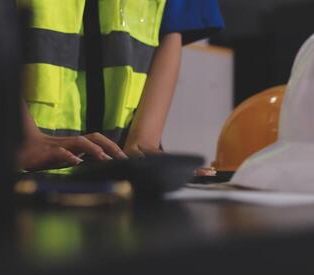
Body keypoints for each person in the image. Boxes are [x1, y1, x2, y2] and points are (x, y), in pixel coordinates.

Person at [17, 0, 224, 171]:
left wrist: (144, 141)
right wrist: (23, 136)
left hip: (123, 159)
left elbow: (173, 25)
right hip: (16, 160)